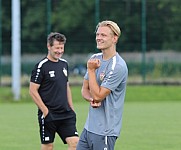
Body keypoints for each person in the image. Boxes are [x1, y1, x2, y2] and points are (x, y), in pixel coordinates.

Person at [76, 20, 128, 150]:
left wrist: (92, 70)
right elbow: (85, 89)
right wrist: (90, 99)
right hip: (88, 129)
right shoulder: (95, 58)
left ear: (114, 38)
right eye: (98, 34)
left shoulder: (118, 66)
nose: (99, 38)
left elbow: (99, 95)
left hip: (105, 132)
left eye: (103, 35)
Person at [29, 32, 79, 150]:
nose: (59, 51)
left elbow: (66, 86)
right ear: (49, 46)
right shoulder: (41, 66)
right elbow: (32, 90)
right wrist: (45, 112)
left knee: (75, 144)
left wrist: (71, 108)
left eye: (61, 48)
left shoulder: (64, 64)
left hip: (66, 114)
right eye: (57, 48)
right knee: (48, 147)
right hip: (49, 114)